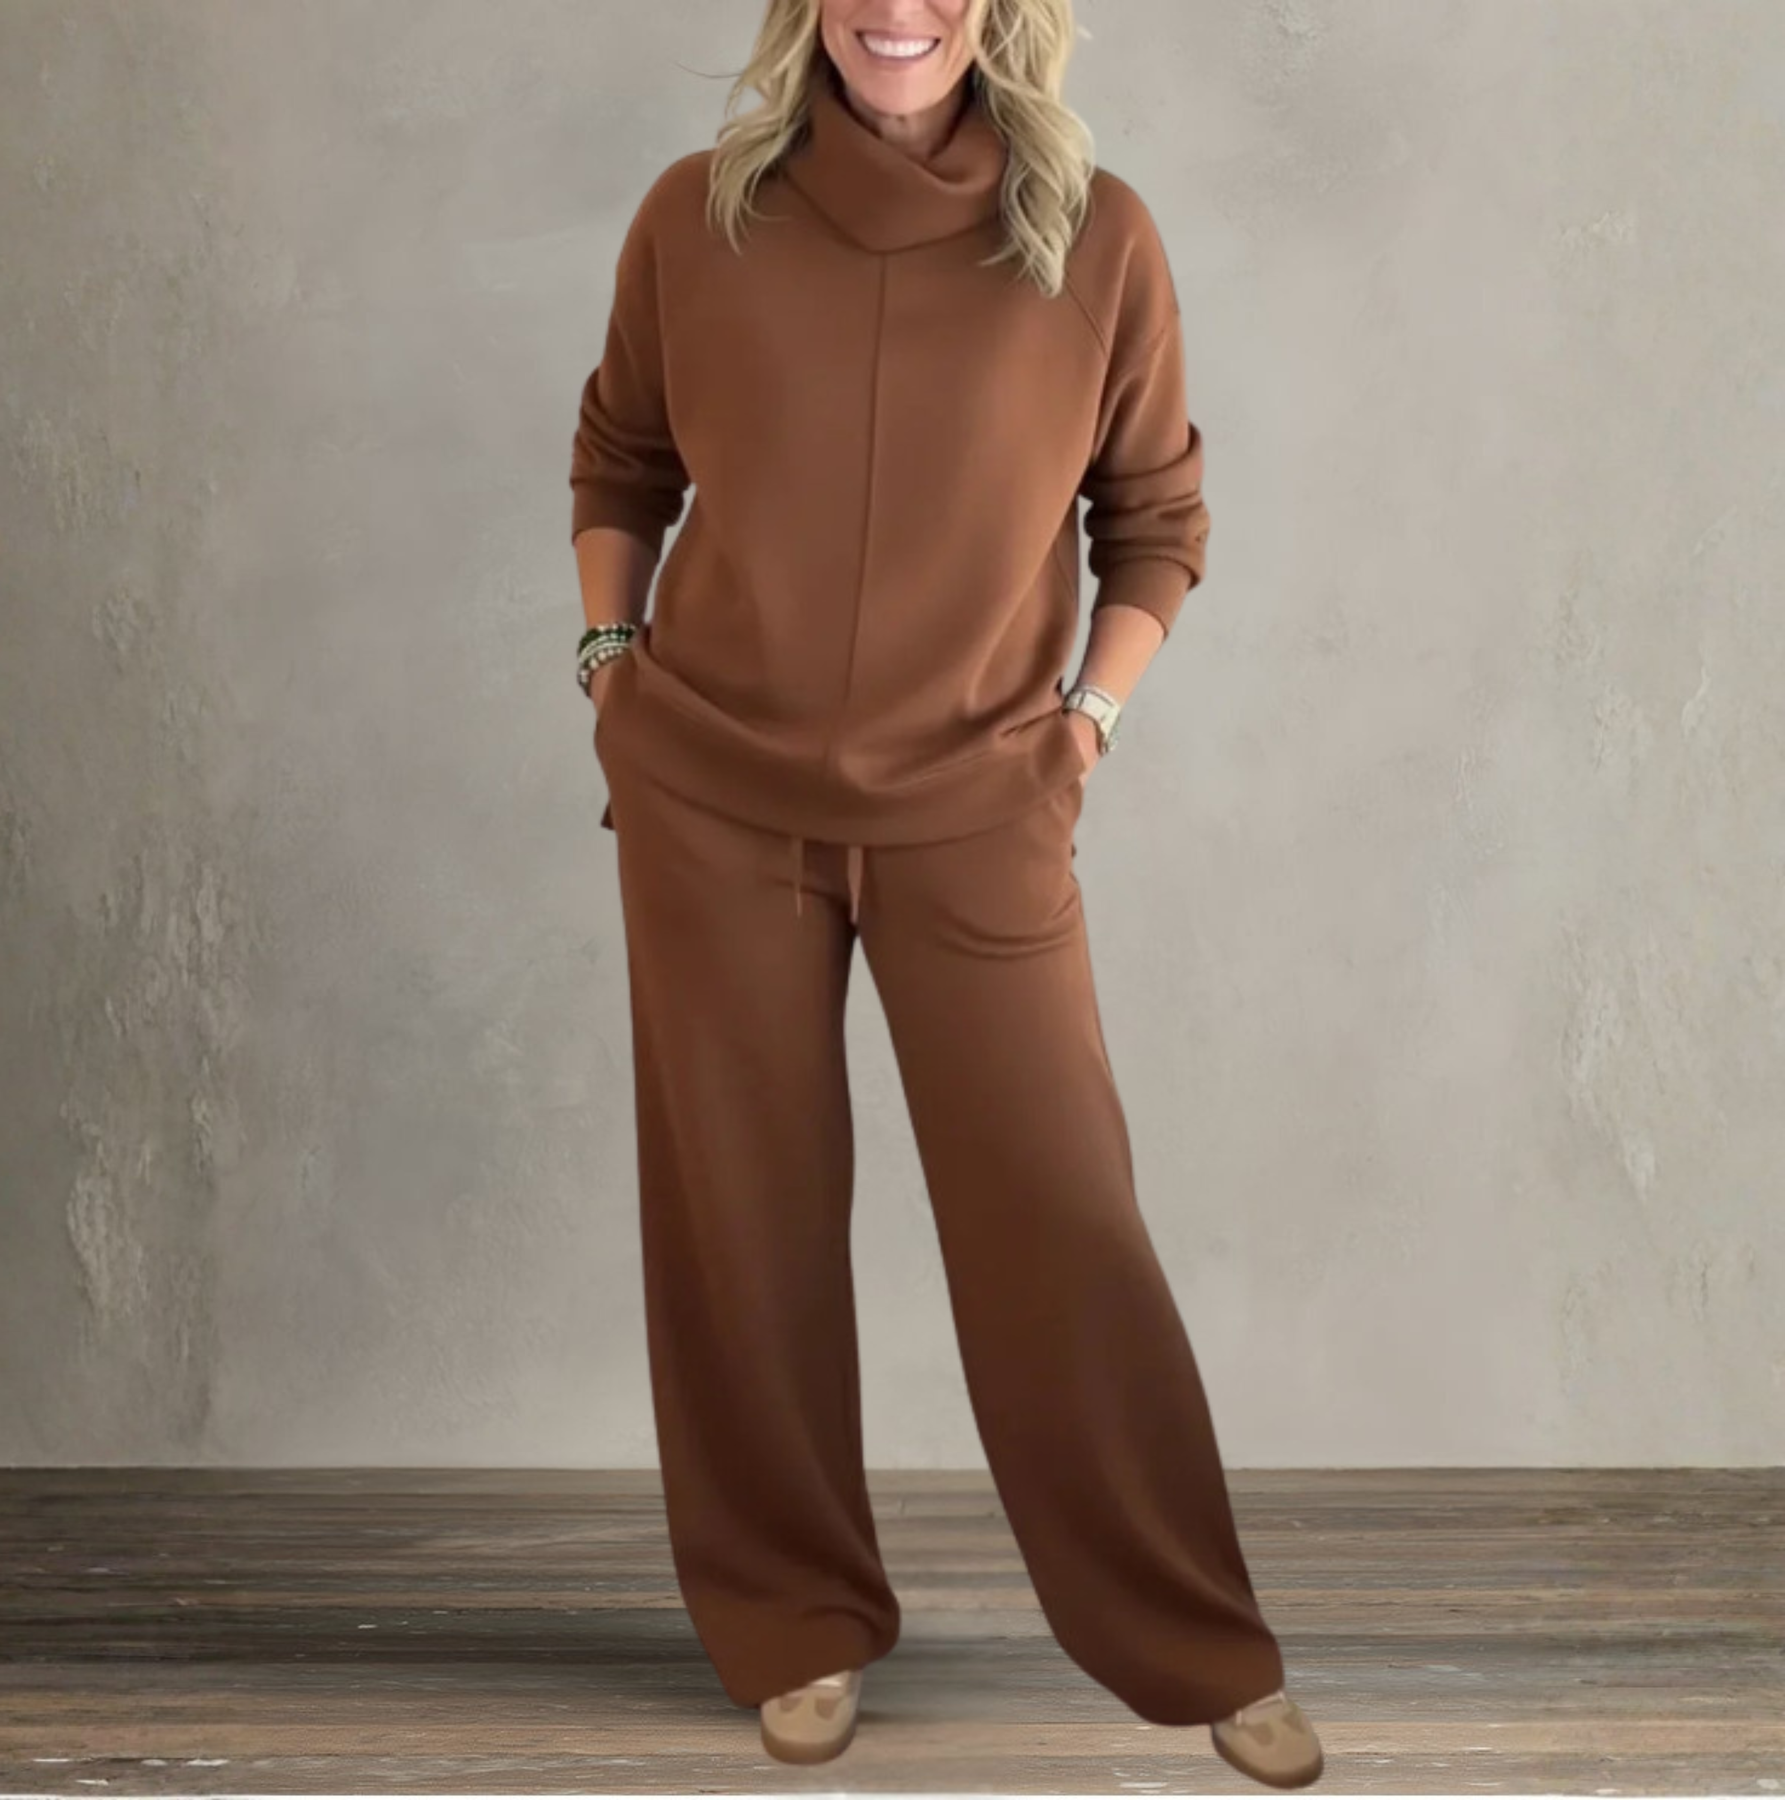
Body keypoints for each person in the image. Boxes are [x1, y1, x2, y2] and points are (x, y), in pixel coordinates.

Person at [567, 0, 1324, 1786]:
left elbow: (1157, 519)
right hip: (712, 798)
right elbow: (621, 459)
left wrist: (1086, 724)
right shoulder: (696, 217)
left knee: (1059, 1215)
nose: (896, 6)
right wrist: (610, 664)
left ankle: (1193, 1641)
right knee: (738, 1221)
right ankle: (793, 1622)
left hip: (983, 799)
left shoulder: (1096, 237)